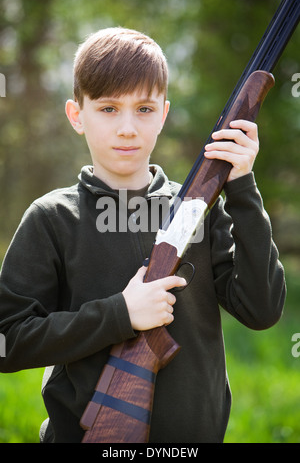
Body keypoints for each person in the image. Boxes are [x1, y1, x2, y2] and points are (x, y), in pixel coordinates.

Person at [0, 27, 285, 443]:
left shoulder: (201, 210)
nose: (128, 128)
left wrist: (241, 185)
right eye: (109, 109)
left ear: (164, 114)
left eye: (145, 109)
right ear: (77, 115)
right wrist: (120, 314)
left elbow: (262, 311)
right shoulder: (52, 217)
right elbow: (8, 339)